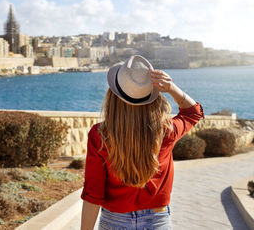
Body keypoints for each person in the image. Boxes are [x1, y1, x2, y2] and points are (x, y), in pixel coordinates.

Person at [80, 55, 204, 230]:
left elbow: (93, 194)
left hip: (114, 221)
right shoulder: (166, 131)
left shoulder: (100, 135)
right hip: (157, 221)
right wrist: (171, 88)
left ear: (113, 97)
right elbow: (193, 112)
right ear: (153, 97)